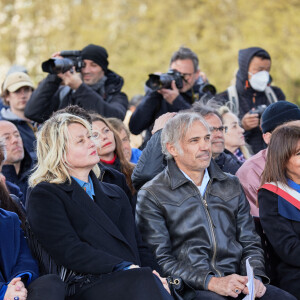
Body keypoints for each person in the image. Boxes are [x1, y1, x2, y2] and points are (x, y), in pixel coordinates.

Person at [136, 112, 296, 299]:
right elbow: (160, 260)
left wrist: (256, 277)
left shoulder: (231, 184)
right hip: (191, 288)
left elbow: (250, 241)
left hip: (240, 281)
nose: (205, 146)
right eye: (194, 141)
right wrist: (211, 282)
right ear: (172, 148)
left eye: (206, 138)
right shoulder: (152, 193)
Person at [26, 113, 172, 300]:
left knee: (154, 282)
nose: (91, 143)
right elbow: (70, 250)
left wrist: (154, 273)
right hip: (83, 285)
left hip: (131, 279)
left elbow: (138, 245)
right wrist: (123, 266)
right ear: (59, 152)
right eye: (80, 141)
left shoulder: (115, 192)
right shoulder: (45, 194)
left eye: (90, 137)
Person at [24, 44, 128, 123]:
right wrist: (54, 76)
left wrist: (80, 88)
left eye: (94, 65)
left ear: (103, 69)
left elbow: (115, 119)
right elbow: (32, 112)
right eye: (83, 65)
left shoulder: (116, 95)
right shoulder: (66, 93)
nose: (87, 70)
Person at [129, 46, 210, 146]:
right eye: (175, 73)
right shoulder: (161, 93)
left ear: (196, 74)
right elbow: (135, 128)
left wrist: (177, 101)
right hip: (155, 155)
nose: (179, 78)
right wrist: (154, 92)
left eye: (185, 75)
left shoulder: (204, 94)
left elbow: (204, 128)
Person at [217, 47, 285, 154]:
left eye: (267, 70)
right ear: (245, 70)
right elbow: (218, 136)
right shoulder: (225, 98)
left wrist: (272, 126)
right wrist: (242, 125)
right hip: (240, 163)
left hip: (275, 158)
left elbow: (290, 129)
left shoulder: (275, 95)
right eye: (259, 69)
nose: (264, 75)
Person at [236, 101, 300, 216]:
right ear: (268, 138)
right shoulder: (251, 172)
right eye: (288, 133)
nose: (296, 138)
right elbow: (259, 224)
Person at [258, 125, 300, 299]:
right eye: (299, 154)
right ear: (282, 159)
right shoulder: (271, 195)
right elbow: (289, 250)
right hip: (295, 275)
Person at [90, 114, 136, 195]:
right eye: (95, 135)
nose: (104, 136)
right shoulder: (91, 179)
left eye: (106, 130)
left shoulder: (134, 169)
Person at [1, 72, 37, 157]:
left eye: (27, 90)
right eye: (17, 91)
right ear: (6, 96)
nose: (23, 95)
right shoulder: (2, 126)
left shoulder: (43, 119)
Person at [0, 120, 33, 202]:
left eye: (17, 135)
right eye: (6, 138)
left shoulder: (38, 173)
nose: (15, 140)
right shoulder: (2, 182)